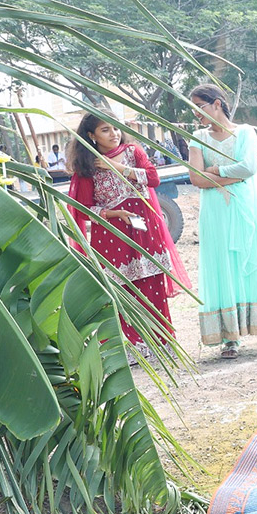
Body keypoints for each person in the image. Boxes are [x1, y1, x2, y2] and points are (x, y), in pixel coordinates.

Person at [67, 113, 189, 357]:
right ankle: (136, 347)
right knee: (124, 289)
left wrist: (119, 167)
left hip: (146, 228)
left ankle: (163, 341)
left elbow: (153, 179)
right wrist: (113, 213)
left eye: (116, 128)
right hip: (112, 233)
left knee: (152, 281)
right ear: (91, 136)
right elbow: (83, 209)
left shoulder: (133, 152)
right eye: (105, 130)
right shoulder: (88, 165)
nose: (114, 134)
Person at [187, 84, 257, 358]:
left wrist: (215, 170)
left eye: (201, 106)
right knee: (222, 267)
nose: (197, 113)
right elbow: (196, 178)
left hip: (247, 209)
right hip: (216, 214)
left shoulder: (245, 132)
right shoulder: (197, 137)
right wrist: (230, 176)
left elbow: (250, 167)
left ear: (217, 103)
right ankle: (229, 338)